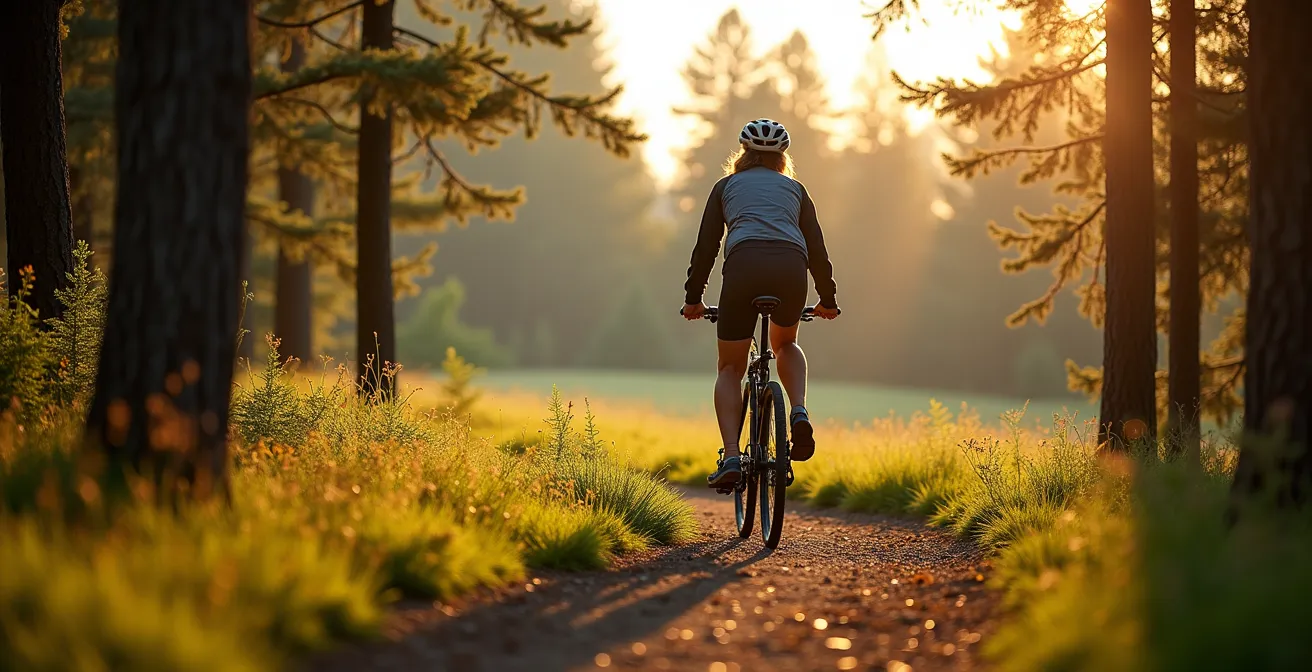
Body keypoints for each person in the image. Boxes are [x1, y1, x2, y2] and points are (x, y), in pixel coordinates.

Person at [682, 118, 840, 489]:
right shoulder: (796, 190)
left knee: (729, 368)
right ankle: (798, 410)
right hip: (790, 268)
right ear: (782, 158)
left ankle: (733, 457)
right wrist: (828, 299)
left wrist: (694, 299)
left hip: (743, 267)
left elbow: (707, 247)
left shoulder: (725, 187)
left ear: (743, 154)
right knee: (785, 344)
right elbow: (816, 247)